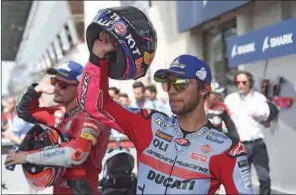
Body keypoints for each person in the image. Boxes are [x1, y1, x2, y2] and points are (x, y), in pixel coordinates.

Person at [76, 30, 254, 193]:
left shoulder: (226, 148)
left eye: (180, 84)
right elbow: (94, 104)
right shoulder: (148, 123)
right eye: (168, 84)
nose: (171, 90)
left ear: (204, 89)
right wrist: (98, 57)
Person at [5, 61, 110, 195]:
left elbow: (75, 154)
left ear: (81, 88)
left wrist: (26, 156)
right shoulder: (58, 113)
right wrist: (37, 89)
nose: (56, 88)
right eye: (55, 81)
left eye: (63, 85)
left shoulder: (92, 117)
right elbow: (24, 111)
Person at [224, 70, 271, 195]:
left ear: (250, 82)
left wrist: (260, 116)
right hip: (239, 146)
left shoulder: (259, 98)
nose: (241, 85)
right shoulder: (230, 99)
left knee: (264, 177)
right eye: (238, 82)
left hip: (257, 144)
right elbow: (225, 121)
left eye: (244, 82)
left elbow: (267, 119)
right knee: (241, 180)